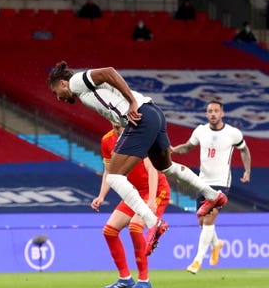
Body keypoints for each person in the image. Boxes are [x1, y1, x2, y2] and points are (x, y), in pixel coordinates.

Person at [46, 62, 229, 256]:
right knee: (166, 167)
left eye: (56, 91)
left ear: (63, 83)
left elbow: (109, 72)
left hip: (141, 117)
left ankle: (153, 223)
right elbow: (111, 102)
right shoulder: (85, 93)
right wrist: (121, 117)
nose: (58, 97)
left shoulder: (75, 82)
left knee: (114, 177)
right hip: (154, 113)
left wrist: (132, 101)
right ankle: (212, 195)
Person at [171, 100, 251, 274]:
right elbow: (187, 147)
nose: (213, 114)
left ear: (222, 113)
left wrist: (247, 171)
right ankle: (216, 243)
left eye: (216, 111)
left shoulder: (233, 133)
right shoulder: (200, 131)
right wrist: (173, 150)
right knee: (202, 222)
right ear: (207, 114)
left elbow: (244, 150)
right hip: (202, 182)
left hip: (221, 183)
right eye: (210, 111)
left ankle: (197, 261)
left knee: (208, 220)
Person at [93, 122, 170, 288]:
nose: (116, 122)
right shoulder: (107, 141)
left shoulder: (139, 137)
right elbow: (109, 171)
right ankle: (125, 278)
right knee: (109, 230)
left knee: (135, 227)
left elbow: (152, 170)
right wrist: (101, 195)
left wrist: (150, 200)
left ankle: (144, 280)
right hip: (133, 191)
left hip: (156, 190)